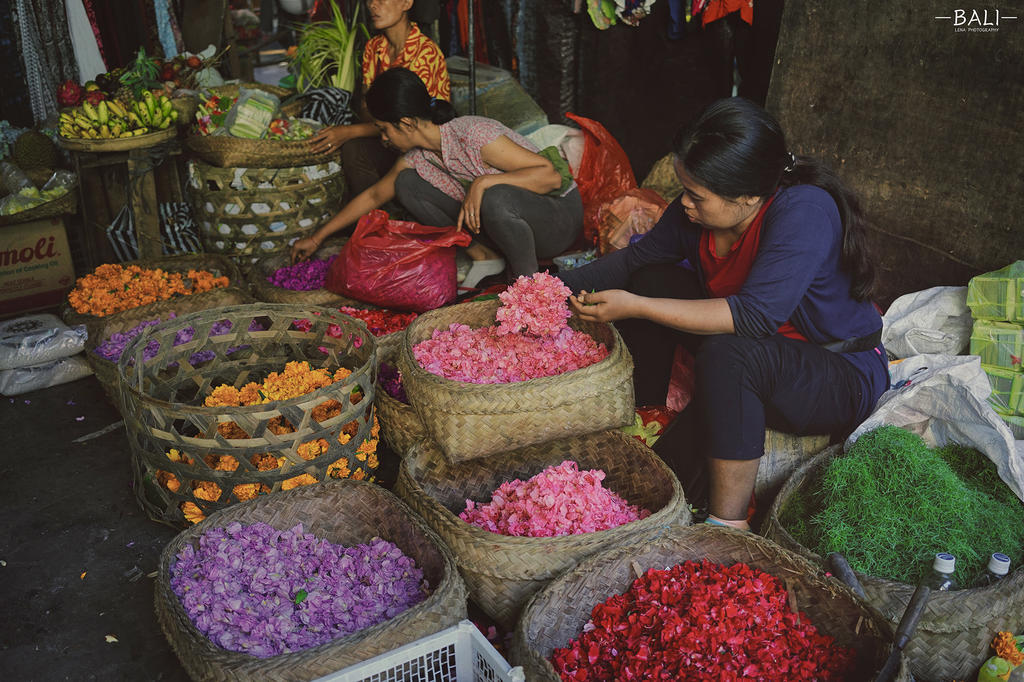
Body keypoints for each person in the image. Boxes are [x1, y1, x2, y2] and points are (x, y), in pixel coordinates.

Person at [562, 97, 888, 531]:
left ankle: (727, 525)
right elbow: (633, 262)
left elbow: (754, 319)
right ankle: (646, 413)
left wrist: (636, 306)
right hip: (762, 350)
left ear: (749, 194)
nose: (684, 205)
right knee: (652, 277)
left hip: (833, 370)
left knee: (728, 355)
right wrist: (547, 289)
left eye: (697, 195)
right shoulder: (694, 213)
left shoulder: (804, 211)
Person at [292, 67, 583, 286]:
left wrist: (483, 182)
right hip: (510, 229)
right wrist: (317, 238)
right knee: (406, 184)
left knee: (493, 196)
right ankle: (484, 256)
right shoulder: (419, 157)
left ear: (405, 123)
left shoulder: (472, 133)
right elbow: (374, 195)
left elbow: (550, 177)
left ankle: (529, 290)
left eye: (384, 129)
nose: (383, 139)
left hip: (556, 220)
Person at [308, 0, 450, 197]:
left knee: (350, 141)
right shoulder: (374, 47)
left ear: (406, 3)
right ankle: (375, 219)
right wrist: (380, 127)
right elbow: (366, 107)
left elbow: (411, 122)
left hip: (422, 145)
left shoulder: (425, 53)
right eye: (370, 0)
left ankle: (388, 212)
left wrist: (349, 131)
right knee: (353, 150)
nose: (373, 5)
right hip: (388, 137)